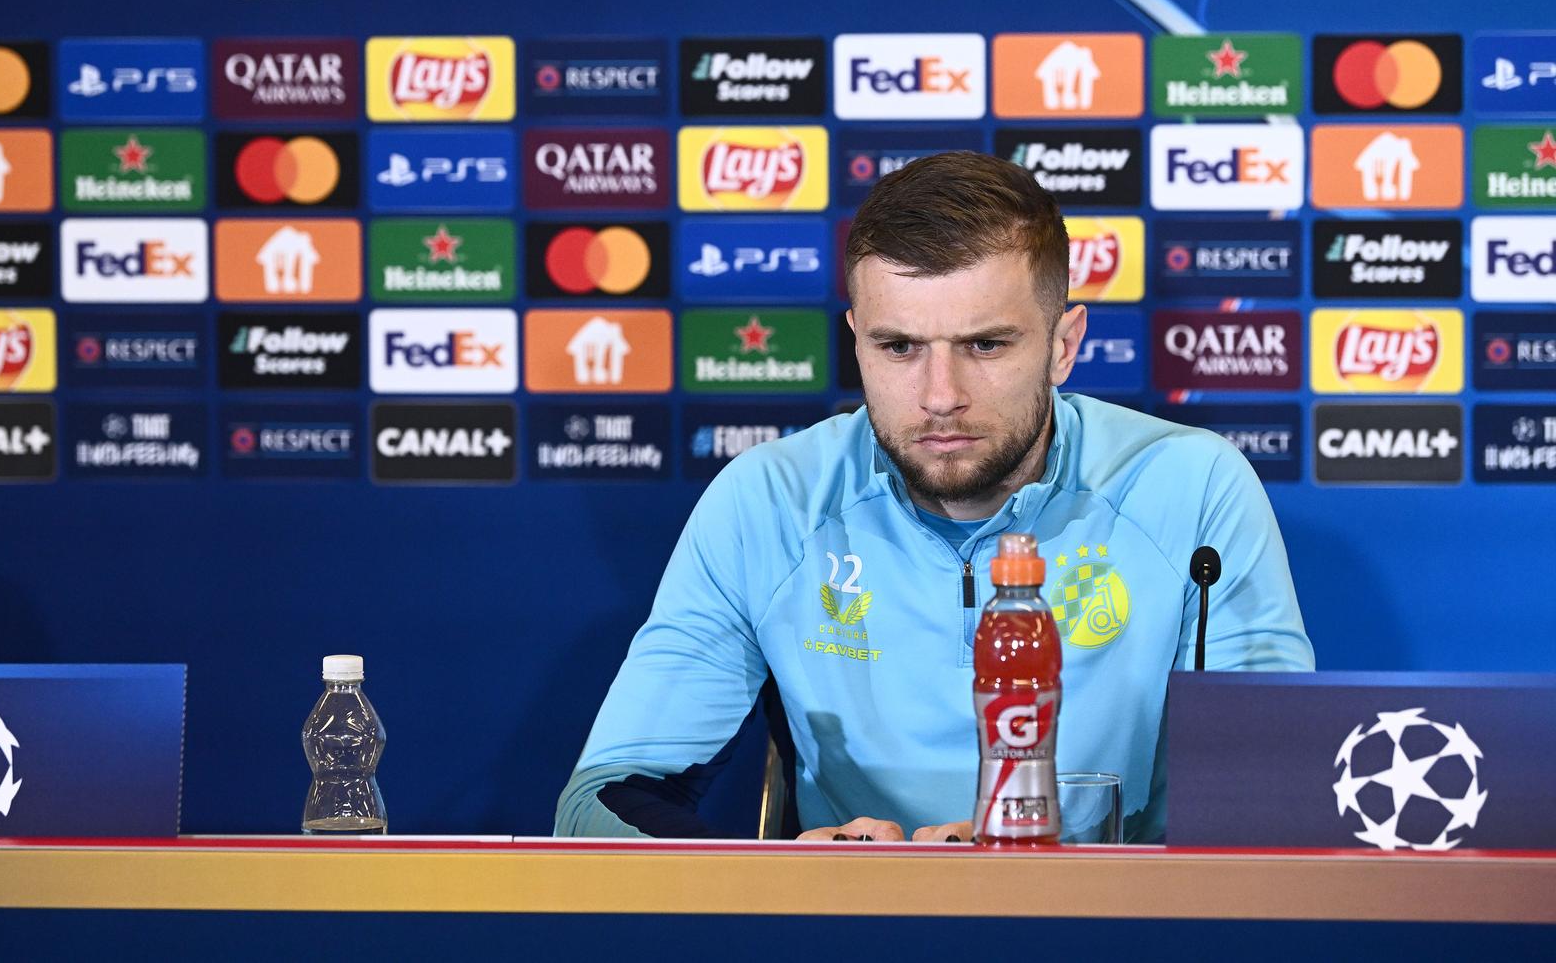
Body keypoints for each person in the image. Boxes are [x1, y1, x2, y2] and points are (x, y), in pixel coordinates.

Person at [554, 151, 1314, 842]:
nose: (940, 396)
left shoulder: (1193, 488)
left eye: (985, 345)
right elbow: (601, 802)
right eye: (898, 347)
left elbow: (1271, 804)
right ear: (856, 337)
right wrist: (791, 874)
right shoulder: (769, 502)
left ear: (1064, 344)